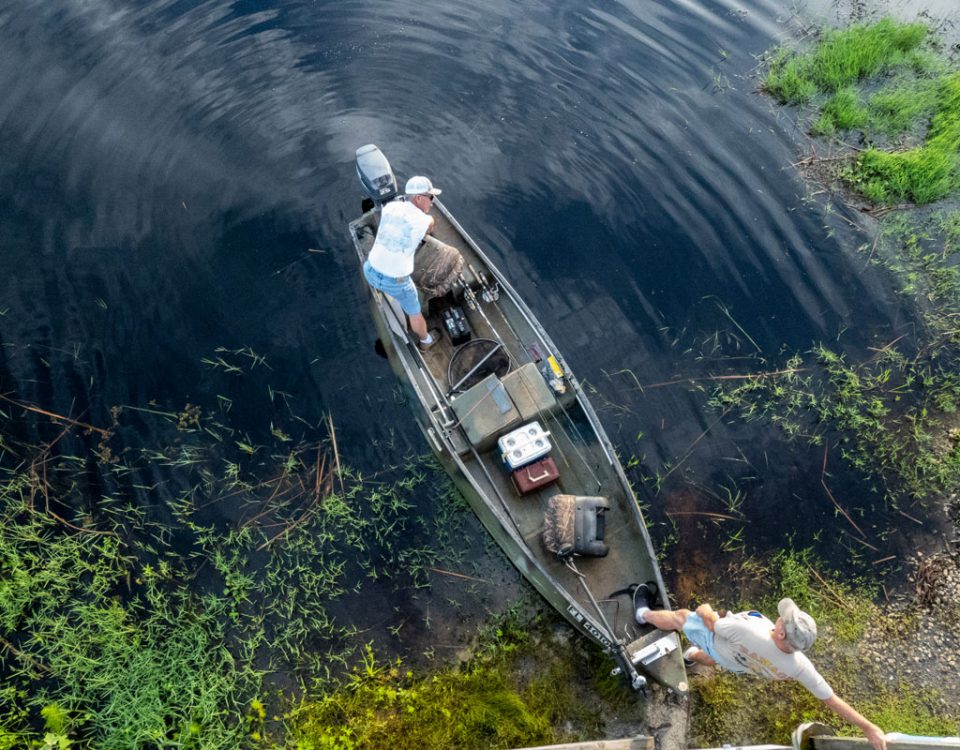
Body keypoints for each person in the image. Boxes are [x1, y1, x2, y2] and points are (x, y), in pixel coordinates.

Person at [633, 586, 887, 750]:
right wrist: (868, 727)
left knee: (681, 617)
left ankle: (643, 614)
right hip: (739, 664)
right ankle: (689, 656)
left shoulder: (748, 631)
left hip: (718, 641)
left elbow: (712, 622)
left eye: (783, 620)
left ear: (780, 632)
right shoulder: (799, 666)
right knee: (719, 660)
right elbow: (831, 699)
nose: (780, 617)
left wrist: (705, 609)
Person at [363, 175, 443, 349]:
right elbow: (430, 226)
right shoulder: (424, 220)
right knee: (415, 313)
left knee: (378, 272)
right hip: (396, 282)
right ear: (418, 198)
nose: (432, 202)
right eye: (431, 197)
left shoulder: (390, 207)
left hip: (369, 270)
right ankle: (426, 341)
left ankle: (380, 290)